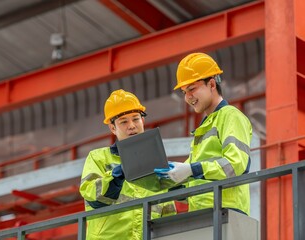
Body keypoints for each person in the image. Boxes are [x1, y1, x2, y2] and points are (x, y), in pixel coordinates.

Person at [155, 52, 252, 215]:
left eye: (192, 89)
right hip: (204, 213)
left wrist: (191, 170)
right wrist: (174, 181)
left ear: (212, 85)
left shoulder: (230, 116)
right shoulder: (205, 126)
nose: (188, 97)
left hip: (227, 211)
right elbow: (199, 177)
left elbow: (235, 165)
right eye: (184, 92)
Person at [79, 89, 176, 240]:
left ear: (142, 121)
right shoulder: (98, 158)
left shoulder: (157, 164)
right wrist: (118, 174)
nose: (131, 126)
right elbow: (93, 197)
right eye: (123, 121)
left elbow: (167, 214)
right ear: (113, 128)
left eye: (136, 119)